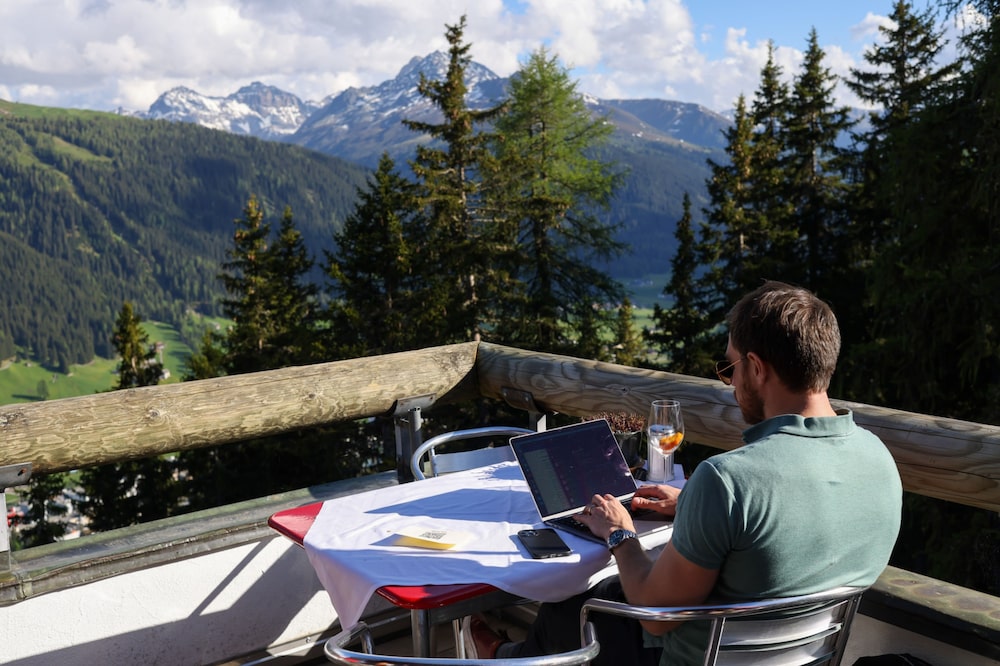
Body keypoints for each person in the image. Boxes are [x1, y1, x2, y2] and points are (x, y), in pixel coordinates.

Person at [465, 280, 903, 665]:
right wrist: (694, 508)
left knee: (576, 600)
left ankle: (503, 659)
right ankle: (507, 656)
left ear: (758, 367)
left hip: (696, 656)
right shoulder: (880, 460)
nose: (730, 384)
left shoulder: (728, 480)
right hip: (805, 657)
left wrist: (620, 533)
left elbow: (657, 618)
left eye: (731, 368)